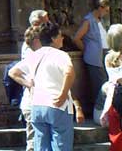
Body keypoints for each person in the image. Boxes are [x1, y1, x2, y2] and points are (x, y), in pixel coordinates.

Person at [10, 22, 81, 151]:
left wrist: (29, 84)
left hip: (37, 105)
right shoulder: (60, 55)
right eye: (60, 35)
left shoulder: (34, 55)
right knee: (61, 146)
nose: (63, 38)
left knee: (41, 147)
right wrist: (63, 94)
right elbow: (70, 72)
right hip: (57, 105)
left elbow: (13, 72)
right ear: (53, 39)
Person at [73, 0, 110, 103]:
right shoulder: (88, 21)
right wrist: (86, 50)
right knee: (100, 86)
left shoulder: (100, 21)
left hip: (102, 56)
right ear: (100, 8)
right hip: (94, 59)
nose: (107, 13)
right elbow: (77, 38)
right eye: (106, 10)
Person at [19, 26, 42, 151]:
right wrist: (29, 84)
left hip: (32, 103)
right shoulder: (33, 57)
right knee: (33, 141)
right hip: (33, 103)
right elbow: (13, 72)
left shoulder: (32, 54)